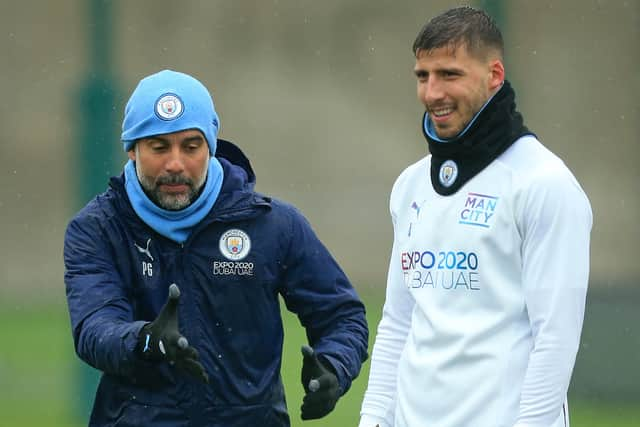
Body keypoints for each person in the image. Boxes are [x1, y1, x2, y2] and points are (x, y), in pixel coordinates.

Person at [64, 69, 368, 427]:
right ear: (132, 150)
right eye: (159, 147)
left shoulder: (273, 225)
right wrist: (146, 339)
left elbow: (342, 316)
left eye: (191, 146)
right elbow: (94, 329)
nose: (175, 163)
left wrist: (334, 367)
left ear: (210, 145)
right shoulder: (97, 228)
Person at [359, 6, 592, 427]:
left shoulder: (544, 183)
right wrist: (373, 418)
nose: (432, 93)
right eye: (422, 76)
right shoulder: (410, 185)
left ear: (495, 76)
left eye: (449, 74)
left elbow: (555, 339)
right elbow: (398, 321)